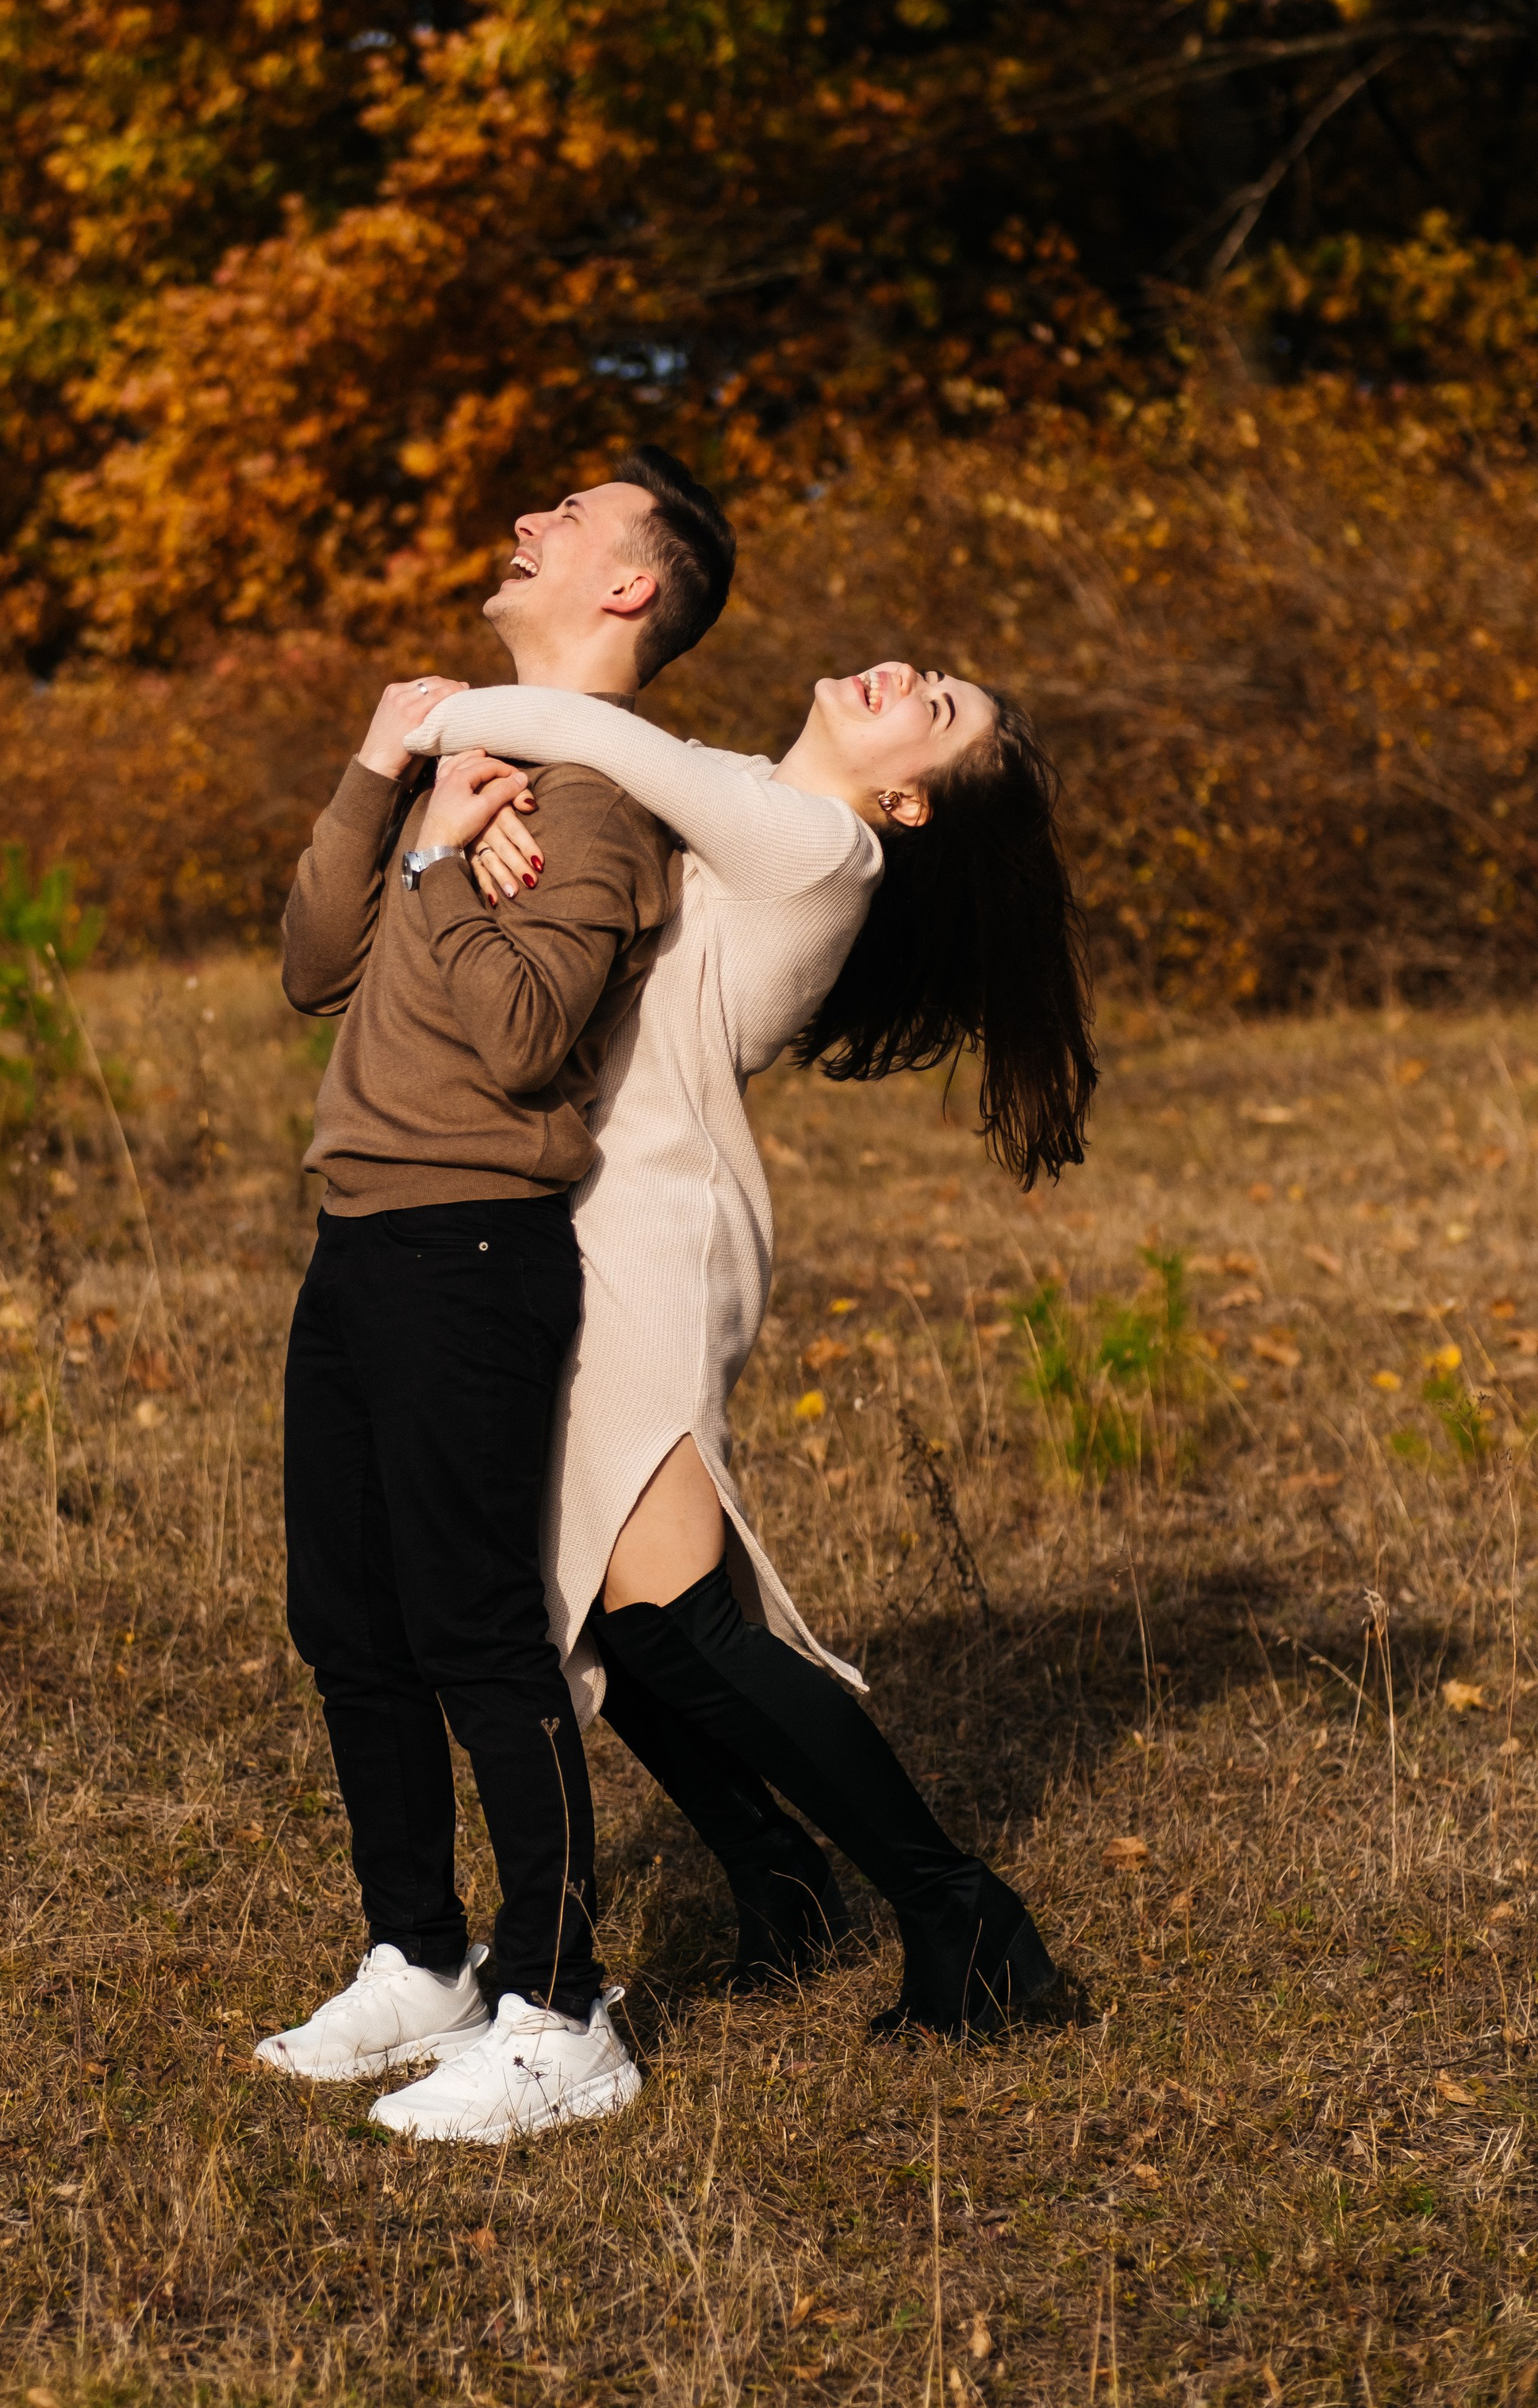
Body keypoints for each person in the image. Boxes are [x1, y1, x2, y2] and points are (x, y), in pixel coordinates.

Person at [402, 656, 1095, 2037]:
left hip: (650, 1237)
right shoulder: (747, 797)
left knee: (670, 1612)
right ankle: (775, 1871)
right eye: (937, 676)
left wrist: (420, 730)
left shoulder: (815, 843)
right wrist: (487, 818)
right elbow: (593, 773)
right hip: (587, 1216)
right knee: (610, 1608)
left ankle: (963, 1911)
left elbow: (569, 726)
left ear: (906, 797)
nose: (913, 677)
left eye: (938, 711)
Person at [257, 448, 738, 2144]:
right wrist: (391, 787)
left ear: (626, 584)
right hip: (360, 1236)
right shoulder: (476, 758)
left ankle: (560, 2003)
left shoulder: (601, 799)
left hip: (471, 1244)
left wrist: (445, 867)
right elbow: (318, 962)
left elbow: (527, 1036)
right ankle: (418, 1952)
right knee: (350, 1621)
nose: (525, 521)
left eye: (569, 516)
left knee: (473, 1629)